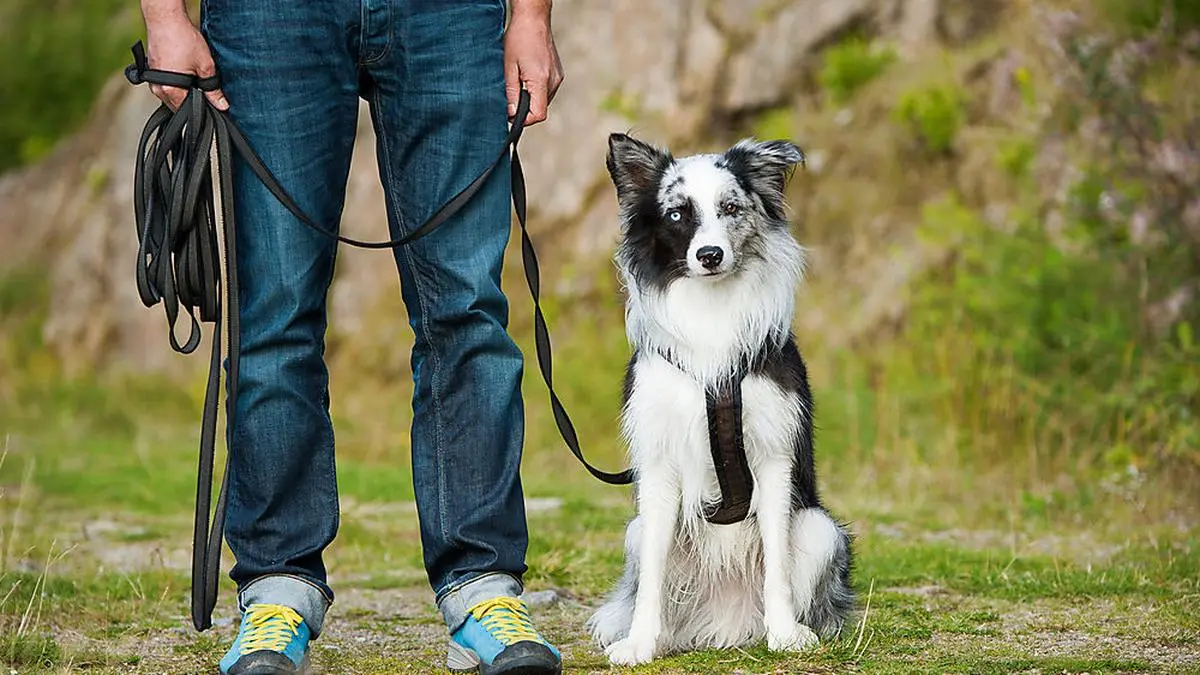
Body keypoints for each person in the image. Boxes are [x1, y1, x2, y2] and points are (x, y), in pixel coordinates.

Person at [137, 0, 565, 672]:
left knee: (467, 308)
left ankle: (482, 589)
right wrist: (165, 15)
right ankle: (277, 591)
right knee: (274, 314)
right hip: (270, 17)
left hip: (449, 16)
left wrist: (532, 17)